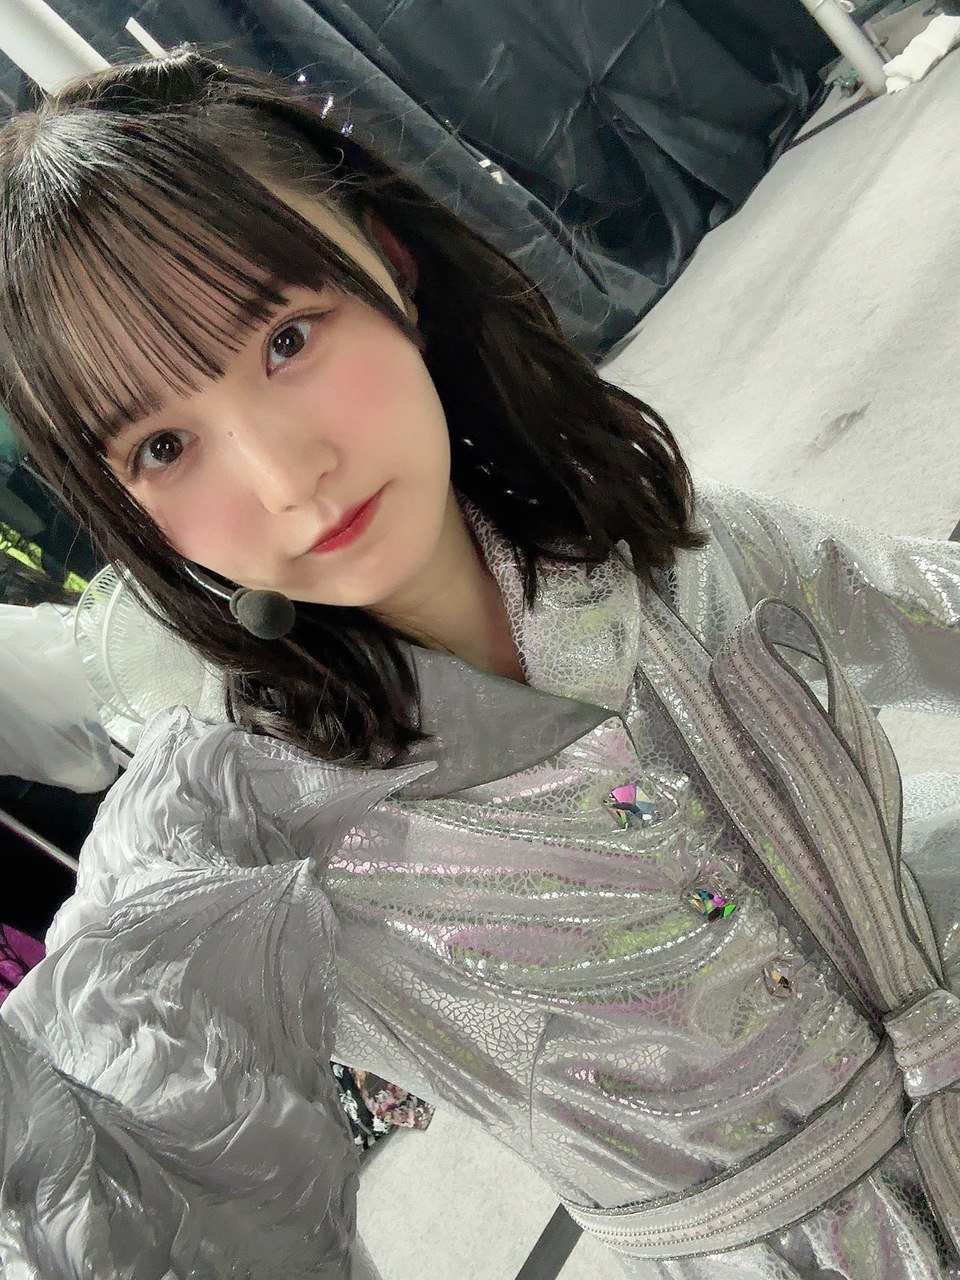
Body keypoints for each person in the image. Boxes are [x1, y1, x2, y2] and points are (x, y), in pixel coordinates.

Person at [0, 48, 958, 1280]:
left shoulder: (640, 538)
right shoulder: (238, 831)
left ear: (388, 263)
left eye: (286, 338)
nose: (287, 479)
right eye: (165, 445)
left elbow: (911, 603)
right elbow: (88, 1149)